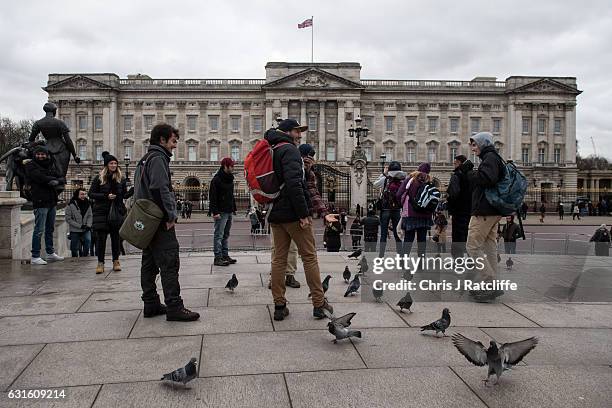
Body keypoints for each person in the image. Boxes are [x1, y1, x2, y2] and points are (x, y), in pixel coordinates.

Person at [264, 119, 335, 321]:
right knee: (310, 257)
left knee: (278, 259)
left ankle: (279, 305)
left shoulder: (273, 149)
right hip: (294, 214)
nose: (300, 135)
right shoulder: (290, 150)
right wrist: (304, 214)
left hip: (276, 212)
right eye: (297, 131)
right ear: (287, 132)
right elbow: (294, 183)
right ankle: (319, 304)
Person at [133, 123, 199, 321]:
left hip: (148, 218)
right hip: (159, 219)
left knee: (149, 262)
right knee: (170, 262)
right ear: (162, 140)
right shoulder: (159, 158)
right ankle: (174, 306)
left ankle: (151, 303)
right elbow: (160, 188)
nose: (175, 146)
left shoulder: (145, 159)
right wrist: (170, 215)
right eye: (173, 141)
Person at [466, 132, 505, 301]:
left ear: (483, 143)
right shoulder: (493, 157)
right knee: (490, 247)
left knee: (472, 247)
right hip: (493, 210)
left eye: (474, 144)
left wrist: (470, 173)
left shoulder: (489, 158)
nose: (472, 148)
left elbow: (487, 179)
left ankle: (489, 282)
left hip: (485, 211)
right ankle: (491, 283)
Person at [25, 144, 65, 265]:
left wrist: (55, 180)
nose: (40, 156)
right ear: (35, 155)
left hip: (51, 200)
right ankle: (35, 255)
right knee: (39, 230)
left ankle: (50, 253)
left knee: (50, 229)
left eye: (43, 154)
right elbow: (39, 177)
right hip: (40, 201)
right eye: (38, 154)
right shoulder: (30, 165)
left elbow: (60, 177)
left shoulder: (50, 163)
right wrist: (51, 180)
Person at [89, 152, 127, 274]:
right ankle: (100, 263)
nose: (113, 165)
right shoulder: (99, 178)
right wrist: (106, 196)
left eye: (115, 163)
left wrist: (134, 190)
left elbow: (124, 195)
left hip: (116, 211)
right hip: (102, 212)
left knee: (116, 239)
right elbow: (91, 194)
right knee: (101, 239)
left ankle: (116, 261)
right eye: (111, 163)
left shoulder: (121, 179)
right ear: (106, 165)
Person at [397, 163, 435, 260]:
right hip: (425, 214)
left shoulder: (410, 180)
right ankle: (421, 262)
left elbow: (399, 194)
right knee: (422, 240)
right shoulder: (429, 182)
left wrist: (403, 204)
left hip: (410, 213)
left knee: (408, 238)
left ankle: (404, 260)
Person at [373, 161, 406, 257]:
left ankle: (381, 255)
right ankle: (400, 255)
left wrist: (384, 173)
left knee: (383, 233)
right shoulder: (402, 179)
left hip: (386, 209)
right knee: (397, 233)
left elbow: (375, 185)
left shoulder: (386, 179)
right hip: (397, 209)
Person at [209, 157, 238, 266]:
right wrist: (215, 212)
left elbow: (231, 195)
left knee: (226, 234)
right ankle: (218, 257)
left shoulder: (230, 178)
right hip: (220, 211)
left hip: (229, 210)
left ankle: (225, 255)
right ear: (225, 166)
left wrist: (233, 208)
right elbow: (212, 197)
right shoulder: (216, 179)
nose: (233, 168)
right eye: (231, 166)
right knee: (219, 235)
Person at [446, 155, 473, 258]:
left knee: (457, 237)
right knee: (469, 236)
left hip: (459, 211)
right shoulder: (472, 174)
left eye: (455, 162)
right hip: (470, 210)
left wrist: (450, 206)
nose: (454, 164)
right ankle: (471, 260)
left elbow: (453, 194)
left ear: (459, 163)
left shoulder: (457, 175)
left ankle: (458, 261)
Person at [64, 188, 93, 258]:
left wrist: (88, 225)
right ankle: (75, 258)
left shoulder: (88, 204)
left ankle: (84, 256)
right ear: (77, 195)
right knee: (74, 247)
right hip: (75, 230)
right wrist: (80, 226)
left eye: (85, 194)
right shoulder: (70, 205)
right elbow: (68, 219)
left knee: (88, 241)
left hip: (86, 228)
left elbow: (90, 215)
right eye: (82, 194)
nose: (84, 196)